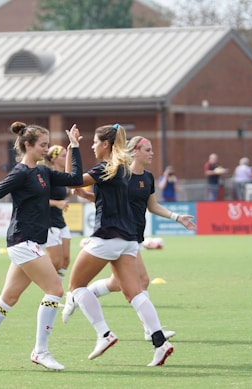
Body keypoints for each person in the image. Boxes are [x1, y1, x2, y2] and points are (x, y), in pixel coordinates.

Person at [0, 122, 83, 372]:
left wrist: (75, 147)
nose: (46, 149)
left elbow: (75, 179)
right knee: (54, 290)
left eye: (48, 144)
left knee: (9, 298)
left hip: (32, 242)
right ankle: (40, 351)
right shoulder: (19, 173)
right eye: (43, 145)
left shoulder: (43, 172)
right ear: (28, 145)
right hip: (22, 241)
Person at [62, 124, 175, 367]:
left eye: (94, 142)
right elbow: (85, 189)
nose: (91, 146)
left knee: (76, 287)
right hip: (128, 240)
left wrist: (73, 147)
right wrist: (73, 153)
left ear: (105, 145)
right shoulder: (123, 169)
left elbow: (72, 179)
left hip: (108, 237)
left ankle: (104, 334)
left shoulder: (105, 168)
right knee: (134, 293)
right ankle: (160, 342)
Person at [42, 145, 72, 281]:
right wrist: (57, 203)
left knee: (65, 260)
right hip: (49, 222)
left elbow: (61, 195)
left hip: (60, 221)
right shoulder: (48, 175)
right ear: (53, 158)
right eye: (63, 156)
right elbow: (38, 200)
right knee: (56, 263)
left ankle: (56, 291)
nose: (66, 158)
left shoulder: (62, 176)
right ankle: (50, 293)